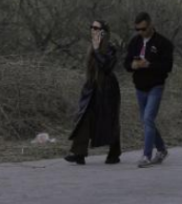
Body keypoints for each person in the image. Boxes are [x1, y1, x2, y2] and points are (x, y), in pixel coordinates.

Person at [65, 20, 121, 165]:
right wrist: (94, 48)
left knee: (110, 120)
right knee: (85, 117)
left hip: (107, 88)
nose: (93, 30)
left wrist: (96, 50)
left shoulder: (110, 47)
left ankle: (114, 152)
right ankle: (79, 153)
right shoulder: (92, 45)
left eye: (96, 28)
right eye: (91, 27)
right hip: (92, 87)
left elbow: (107, 67)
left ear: (103, 31)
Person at [124, 12, 174, 168]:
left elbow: (167, 66)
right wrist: (133, 65)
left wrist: (149, 65)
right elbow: (126, 63)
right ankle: (162, 149)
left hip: (156, 86)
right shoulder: (134, 42)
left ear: (151, 25)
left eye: (143, 29)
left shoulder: (164, 43)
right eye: (137, 29)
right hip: (140, 87)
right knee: (147, 121)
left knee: (148, 118)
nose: (141, 32)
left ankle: (146, 156)